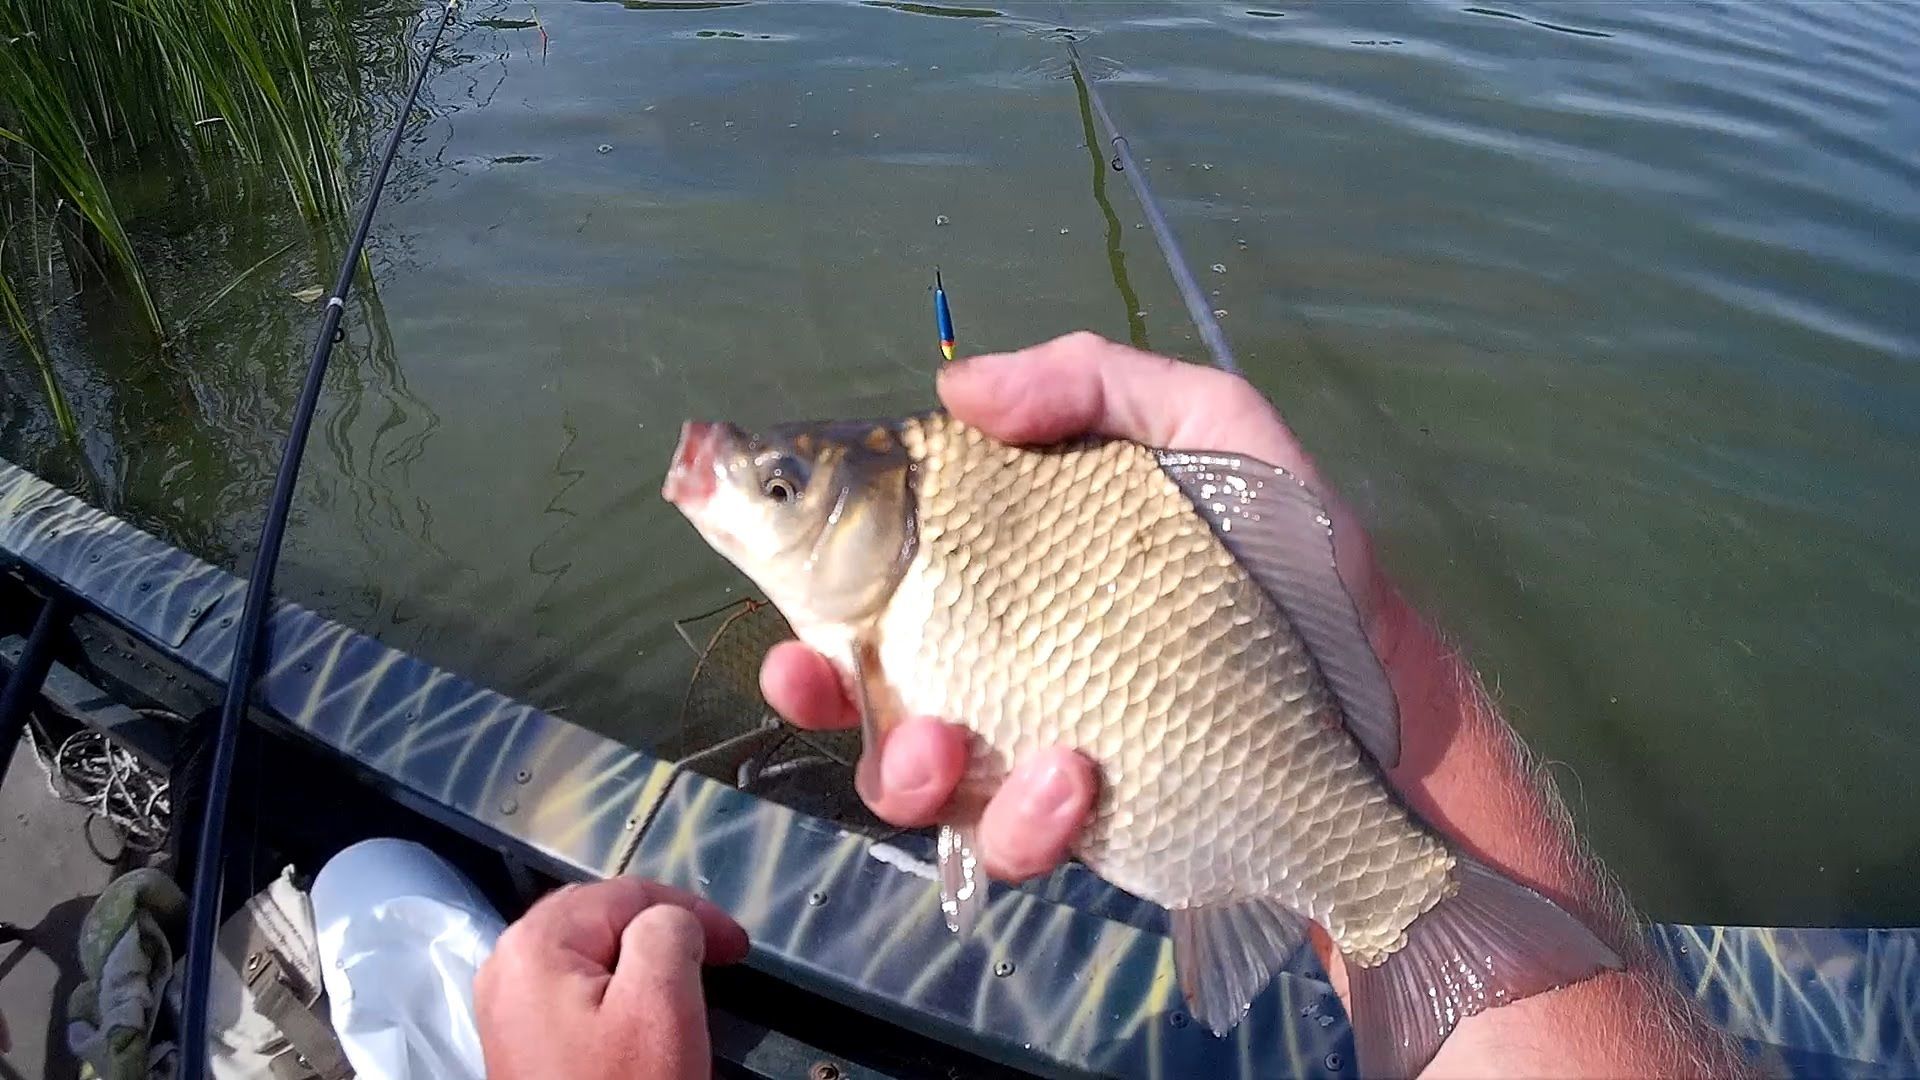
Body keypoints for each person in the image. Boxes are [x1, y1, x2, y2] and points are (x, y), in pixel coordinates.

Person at [474, 333, 1751, 1079]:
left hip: (1228, 716)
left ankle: (1405, 907)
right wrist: (1390, 677)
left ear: (873, 506)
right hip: (1225, 751)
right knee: (956, 784)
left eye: (783, 483)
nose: (744, 487)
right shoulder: (882, 597)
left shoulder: (933, 525)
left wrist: (1379, 674)